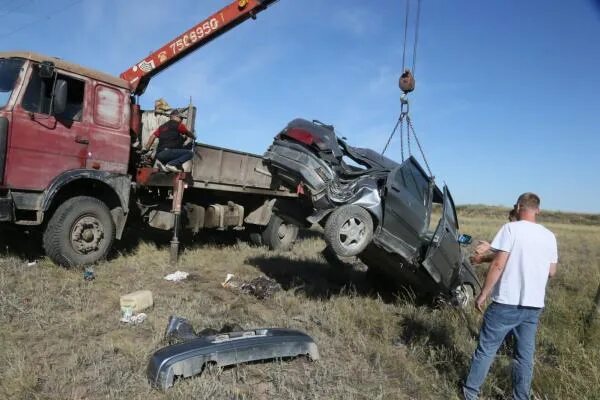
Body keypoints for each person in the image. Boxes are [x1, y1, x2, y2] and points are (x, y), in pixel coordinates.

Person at [463, 193, 558, 400]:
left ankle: (470, 393)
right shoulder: (549, 236)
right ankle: (520, 396)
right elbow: (551, 272)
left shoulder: (510, 229)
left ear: (517, 207)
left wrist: (483, 294)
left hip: (506, 302)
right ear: (538, 210)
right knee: (524, 357)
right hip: (533, 306)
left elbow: (498, 264)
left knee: (487, 349)